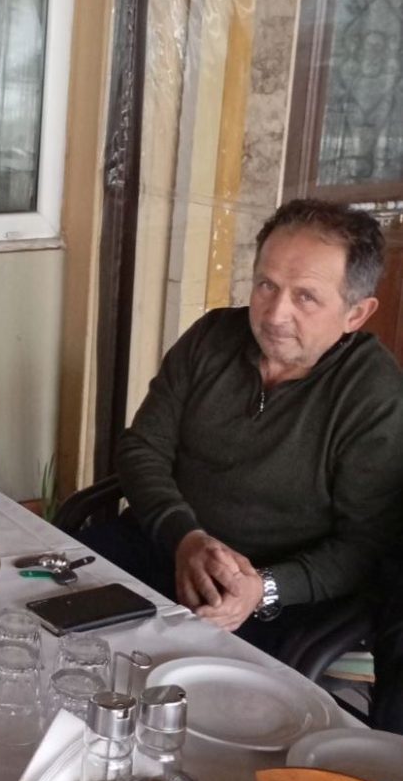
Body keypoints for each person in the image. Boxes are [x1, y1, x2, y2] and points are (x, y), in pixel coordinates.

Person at [80, 199, 403, 655]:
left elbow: (364, 546)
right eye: (266, 285)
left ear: (356, 314)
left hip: (275, 595)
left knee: (173, 685)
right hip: (162, 542)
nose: (274, 315)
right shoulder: (211, 338)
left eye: (305, 297)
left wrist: (263, 588)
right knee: (28, 620)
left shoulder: (374, 395)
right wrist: (185, 537)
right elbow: (142, 448)